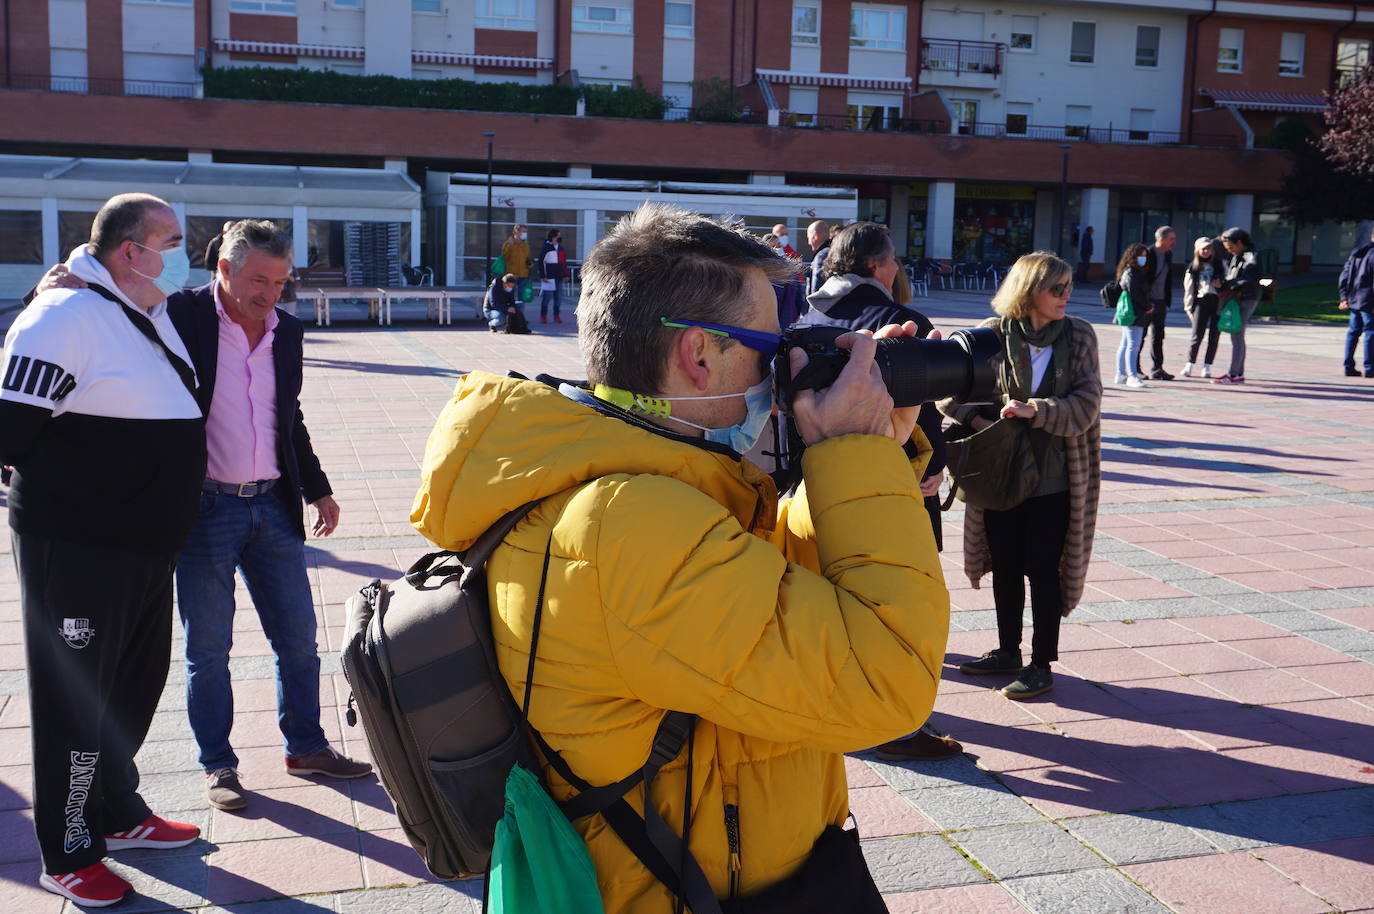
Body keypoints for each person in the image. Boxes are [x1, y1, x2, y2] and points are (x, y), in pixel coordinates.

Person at [410, 203, 949, 912]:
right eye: (766, 346)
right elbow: (889, 683)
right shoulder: (628, 523)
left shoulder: (626, 482)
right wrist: (856, 453)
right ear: (700, 354)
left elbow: (775, 601)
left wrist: (874, 445)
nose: (780, 368)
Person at [30, 219, 373, 816]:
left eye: (281, 281)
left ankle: (307, 747)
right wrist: (57, 288)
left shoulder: (285, 330)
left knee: (297, 641)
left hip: (273, 504)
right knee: (208, 649)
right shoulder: (181, 317)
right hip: (205, 508)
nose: (270, 293)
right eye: (259, 279)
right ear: (224, 269)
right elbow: (110, 303)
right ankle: (219, 763)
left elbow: (285, 416)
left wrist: (317, 490)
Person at [2, 193, 206, 906]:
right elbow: (10, 431)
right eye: (174, 239)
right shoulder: (62, 317)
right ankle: (68, 850)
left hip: (144, 549)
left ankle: (118, 812)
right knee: (75, 703)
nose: (186, 252)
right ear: (130, 250)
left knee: (131, 690)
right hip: (81, 550)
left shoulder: (145, 308)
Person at [800, 220, 959, 762]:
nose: (897, 269)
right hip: (892, 477)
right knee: (898, 592)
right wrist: (934, 465)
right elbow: (927, 408)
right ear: (876, 266)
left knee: (834, 589)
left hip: (816, 474)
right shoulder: (900, 322)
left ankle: (843, 699)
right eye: (893, 260)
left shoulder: (810, 312)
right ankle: (892, 720)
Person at [938, 251, 1102, 701]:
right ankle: (1007, 650)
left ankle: (1041, 663)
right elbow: (949, 395)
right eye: (1057, 289)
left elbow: (1088, 403)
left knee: (1043, 568)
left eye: (1068, 287)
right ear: (1029, 291)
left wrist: (1038, 411)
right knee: (1005, 564)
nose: (1066, 296)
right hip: (997, 470)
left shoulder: (1079, 335)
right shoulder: (991, 336)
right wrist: (979, 422)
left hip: (1056, 472)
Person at [1213, 226, 1262, 385]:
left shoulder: (1251, 257)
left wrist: (1230, 283)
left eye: (1231, 247)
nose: (1230, 251)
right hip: (1238, 297)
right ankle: (1237, 374)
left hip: (1246, 298)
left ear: (1240, 242)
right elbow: (1232, 275)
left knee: (1237, 335)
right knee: (1237, 335)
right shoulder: (1239, 255)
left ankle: (1234, 374)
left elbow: (1249, 278)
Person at [1180, 237, 1224, 379]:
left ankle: (1207, 366)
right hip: (1201, 301)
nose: (1206, 251)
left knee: (1214, 335)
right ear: (1197, 250)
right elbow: (1189, 289)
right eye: (1203, 249)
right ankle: (1189, 364)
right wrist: (1188, 308)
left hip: (1217, 301)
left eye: (1208, 248)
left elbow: (1228, 282)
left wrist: (1221, 285)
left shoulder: (1219, 264)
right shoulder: (1193, 267)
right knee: (1196, 335)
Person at [1114, 243, 1153, 388]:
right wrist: (1147, 307)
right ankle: (1131, 375)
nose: (1143, 258)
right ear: (1133, 256)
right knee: (1133, 345)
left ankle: (1120, 374)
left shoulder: (1131, 271)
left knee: (1125, 344)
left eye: (1145, 256)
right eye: (1140, 255)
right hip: (1134, 313)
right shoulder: (1132, 273)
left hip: (1131, 313)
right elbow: (1135, 293)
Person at [1140, 225, 1176, 380]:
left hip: (1161, 301)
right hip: (1147, 302)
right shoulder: (1147, 254)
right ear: (1161, 239)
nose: (1174, 242)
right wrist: (1145, 301)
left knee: (1159, 336)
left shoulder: (1168, 255)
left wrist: (1166, 299)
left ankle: (1157, 369)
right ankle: (1135, 368)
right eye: (1171, 239)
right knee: (1140, 335)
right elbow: (1140, 279)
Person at [1337, 226, 1374, 378]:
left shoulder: (1357, 252)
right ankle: (1370, 367)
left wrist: (1344, 297)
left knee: (1353, 333)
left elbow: (1344, 276)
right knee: (1370, 333)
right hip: (1368, 300)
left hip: (1354, 299)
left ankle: (1348, 366)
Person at [538, 228, 567, 323]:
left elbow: (563, 262)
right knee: (547, 298)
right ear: (553, 237)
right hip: (549, 277)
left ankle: (556, 315)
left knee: (558, 298)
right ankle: (543, 316)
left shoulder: (561, 248)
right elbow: (541, 262)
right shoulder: (546, 247)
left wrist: (565, 274)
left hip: (559, 276)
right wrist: (543, 276)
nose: (560, 237)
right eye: (558, 235)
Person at [501, 223, 532, 302]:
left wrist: (530, 263)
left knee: (521, 297)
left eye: (526, 232)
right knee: (510, 295)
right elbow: (505, 257)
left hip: (524, 273)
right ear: (517, 232)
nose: (525, 234)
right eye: (523, 231)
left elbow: (528, 258)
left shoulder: (525, 245)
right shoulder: (508, 244)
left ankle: (520, 313)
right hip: (512, 274)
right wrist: (509, 246)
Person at [805, 219, 831, 296]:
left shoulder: (821, 256)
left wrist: (812, 307)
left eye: (808, 238)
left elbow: (816, 289)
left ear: (815, 235)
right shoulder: (834, 252)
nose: (808, 242)